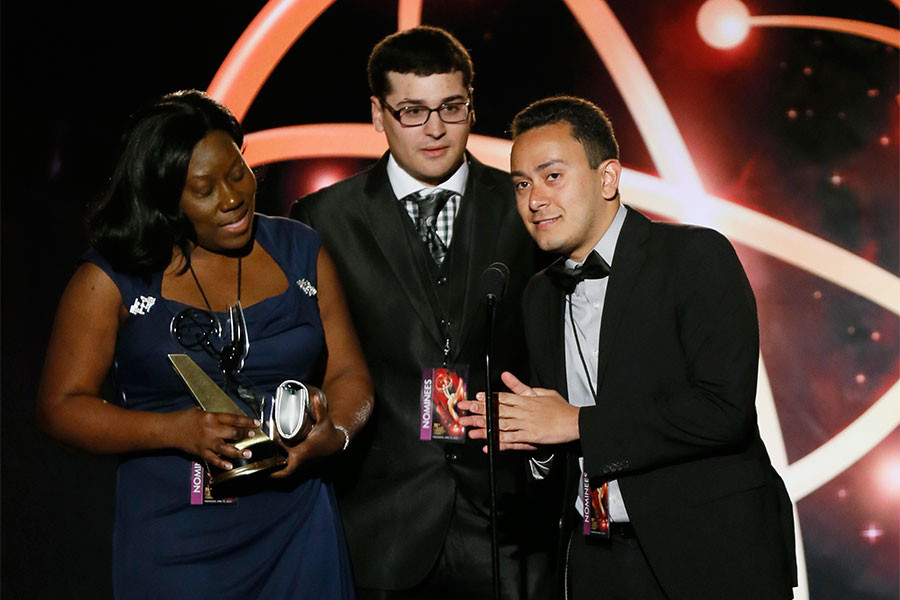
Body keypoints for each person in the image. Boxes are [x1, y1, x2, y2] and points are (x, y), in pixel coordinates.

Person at [36, 90, 373, 598]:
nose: (232, 197)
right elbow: (60, 407)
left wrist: (334, 434)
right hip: (177, 541)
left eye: (237, 173)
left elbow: (350, 375)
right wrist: (176, 430)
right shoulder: (111, 277)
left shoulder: (301, 249)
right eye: (204, 189)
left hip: (298, 526)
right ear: (166, 198)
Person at [460, 96, 797, 599]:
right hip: (598, 558)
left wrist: (573, 423)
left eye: (552, 177)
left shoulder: (694, 256)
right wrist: (534, 442)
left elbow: (724, 412)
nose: (534, 200)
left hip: (712, 553)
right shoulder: (536, 294)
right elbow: (564, 435)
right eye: (522, 184)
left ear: (608, 178)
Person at [291, 26, 553, 600]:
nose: (434, 129)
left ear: (470, 106)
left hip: (508, 520)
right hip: (383, 523)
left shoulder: (527, 205)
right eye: (412, 110)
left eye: (450, 108)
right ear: (378, 114)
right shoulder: (322, 219)